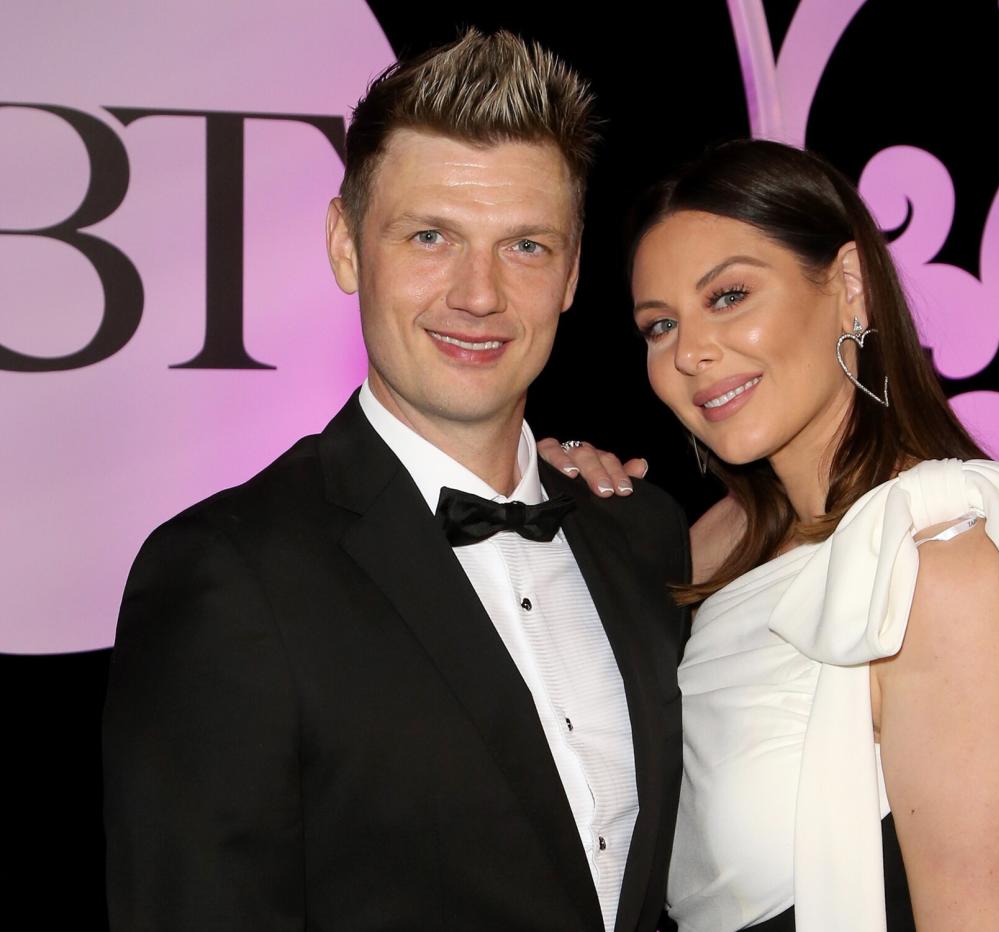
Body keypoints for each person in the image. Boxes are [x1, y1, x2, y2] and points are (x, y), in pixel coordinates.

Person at [102, 30, 689, 932]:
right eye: (430, 237)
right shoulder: (227, 574)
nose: (479, 294)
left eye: (526, 246)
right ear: (347, 245)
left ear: (572, 272)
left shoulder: (641, 534)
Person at [541, 139, 999, 931]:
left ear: (848, 286)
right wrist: (540, 501)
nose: (691, 352)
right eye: (659, 325)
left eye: (730, 295)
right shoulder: (705, 544)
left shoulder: (945, 565)